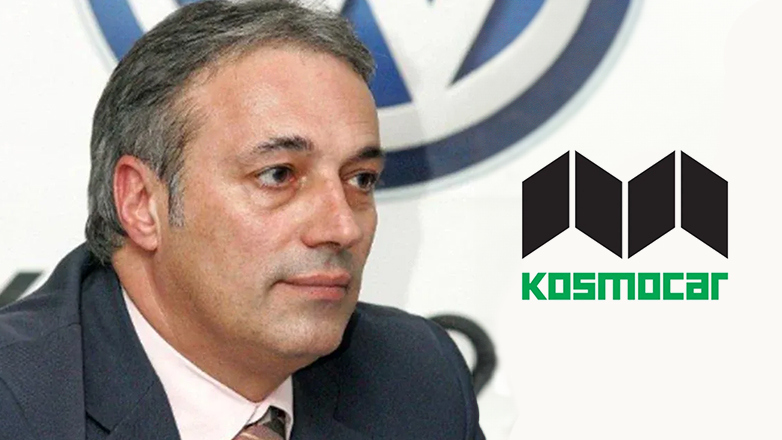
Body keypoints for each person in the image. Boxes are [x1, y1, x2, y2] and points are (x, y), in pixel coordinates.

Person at [0, 1, 484, 439]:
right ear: (142, 203)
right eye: (278, 175)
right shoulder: (17, 404)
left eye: (360, 179)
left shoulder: (415, 379)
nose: (342, 228)